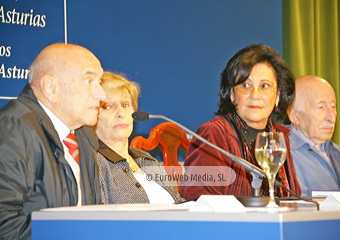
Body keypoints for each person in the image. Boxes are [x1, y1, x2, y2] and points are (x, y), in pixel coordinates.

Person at [0, 43, 105, 239]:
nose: (101, 94)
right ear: (50, 88)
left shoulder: (84, 136)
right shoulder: (11, 129)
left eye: (99, 82)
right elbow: (4, 225)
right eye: (88, 80)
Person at [180, 44, 301, 200]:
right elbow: (199, 199)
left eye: (265, 86)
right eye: (245, 85)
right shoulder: (215, 134)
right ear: (232, 94)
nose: (255, 95)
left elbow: (294, 198)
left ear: (277, 95)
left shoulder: (280, 136)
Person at [94, 71, 184, 204]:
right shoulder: (95, 163)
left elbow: (180, 203)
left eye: (125, 105)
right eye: (107, 107)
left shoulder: (148, 160)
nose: (121, 113)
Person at [287, 75, 340, 196]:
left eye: (333, 106)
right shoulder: (280, 158)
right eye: (321, 107)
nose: (331, 117)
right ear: (294, 115)